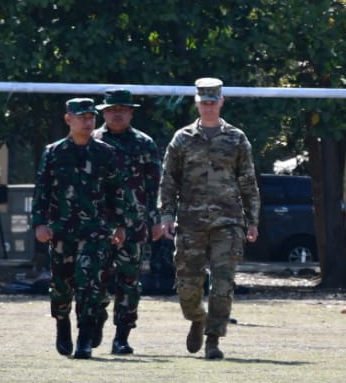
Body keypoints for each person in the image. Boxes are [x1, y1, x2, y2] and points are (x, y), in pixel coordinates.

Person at [156, 78, 260, 361]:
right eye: (204, 103)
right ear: (197, 104)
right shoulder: (182, 138)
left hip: (228, 221)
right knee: (187, 285)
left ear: (221, 102)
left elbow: (248, 181)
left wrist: (252, 220)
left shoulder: (236, 138)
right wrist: (166, 214)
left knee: (223, 284)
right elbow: (169, 180)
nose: (209, 107)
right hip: (190, 222)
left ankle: (213, 339)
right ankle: (197, 319)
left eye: (213, 102)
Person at [32, 98, 128, 359]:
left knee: (90, 285)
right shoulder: (54, 152)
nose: (87, 122)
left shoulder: (105, 152)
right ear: (68, 119)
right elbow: (42, 190)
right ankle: (62, 324)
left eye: (91, 117)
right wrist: (39, 223)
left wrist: (120, 225)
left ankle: (85, 337)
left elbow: (116, 191)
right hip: (61, 231)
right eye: (82, 117)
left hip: (95, 231)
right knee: (61, 286)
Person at [93, 88, 162, 355]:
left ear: (131, 112)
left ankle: (121, 336)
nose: (117, 114)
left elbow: (154, 186)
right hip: (98, 223)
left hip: (135, 225)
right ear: (104, 113)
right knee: (95, 278)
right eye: (112, 110)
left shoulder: (144, 143)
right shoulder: (92, 141)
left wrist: (156, 220)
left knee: (129, 281)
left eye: (122, 110)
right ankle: (97, 318)